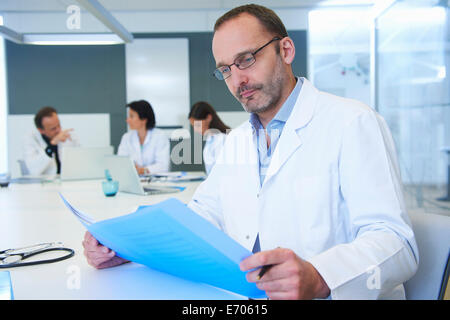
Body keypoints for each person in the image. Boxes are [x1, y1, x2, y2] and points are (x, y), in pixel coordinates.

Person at [82, 4, 419, 300]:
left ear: (285, 50)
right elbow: (202, 216)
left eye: (246, 59)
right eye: (226, 69)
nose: (237, 79)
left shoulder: (353, 122)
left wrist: (320, 276)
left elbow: (396, 243)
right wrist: (129, 246)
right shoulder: (237, 141)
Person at [117, 100, 170, 175]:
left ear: (144, 119)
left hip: (156, 181)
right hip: (133, 180)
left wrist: (142, 170)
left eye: (132, 116)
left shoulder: (160, 136)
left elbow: (163, 166)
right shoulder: (126, 137)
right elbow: (121, 162)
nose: (127, 120)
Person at [23, 106, 79, 176]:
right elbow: (33, 170)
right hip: (43, 184)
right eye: (53, 128)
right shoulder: (31, 139)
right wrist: (52, 144)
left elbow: (79, 162)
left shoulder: (68, 136)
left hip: (67, 181)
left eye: (59, 125)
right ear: (41, 130)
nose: (58, 130)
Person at [189, 101, 230, 175]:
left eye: (197, 125)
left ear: (208, 118)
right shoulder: (210, 139)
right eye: (193, 126)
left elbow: (222, 173)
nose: (195, 130)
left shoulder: (222, 139)